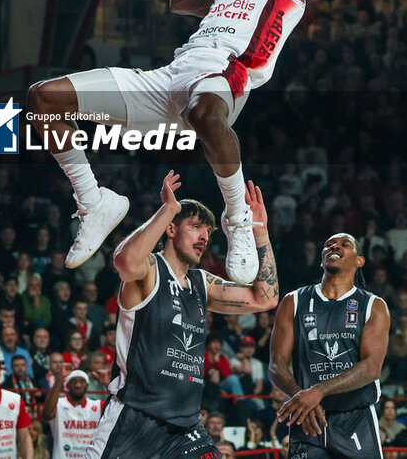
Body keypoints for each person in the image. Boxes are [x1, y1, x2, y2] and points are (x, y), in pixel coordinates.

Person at [26, 0, 322, 275]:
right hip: (169, 78)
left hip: (226, 76)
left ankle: (237, 219)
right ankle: (94, 201)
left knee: (205, 115)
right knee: (43, 98)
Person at [86, 173, 279, 458]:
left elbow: (265, 298)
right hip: (136, 421)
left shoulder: (204, 283)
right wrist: (168, 211)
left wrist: (260, 231)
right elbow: (124, 261)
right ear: (171, 229)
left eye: (209, 232)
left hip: (186, 428)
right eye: (196, 226)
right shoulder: (149, 269)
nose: (204, 236)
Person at [269, 232, 390, 459]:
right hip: (307, 419)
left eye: (344, 244)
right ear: (321, 258)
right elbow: (276, 365)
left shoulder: (373, 305)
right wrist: (302, 397)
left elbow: (372, 367)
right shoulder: (293, 301)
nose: (334, 247)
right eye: (329, 245)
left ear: (359, 261)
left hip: (355, 418)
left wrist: (318, 392)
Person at [43, 365, 103, 459]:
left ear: (87, 386)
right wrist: (60, 378)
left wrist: (107, 383)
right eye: (74, 381)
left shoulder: (98, 405)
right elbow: (46, 414)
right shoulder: (58, 403)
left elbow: (115, 413)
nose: (78, 385)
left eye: (81, 381)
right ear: (67, 386)